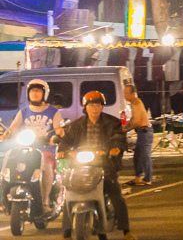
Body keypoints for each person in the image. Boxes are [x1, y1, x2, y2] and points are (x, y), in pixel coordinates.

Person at [58, 91, 136, 240]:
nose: (95, 108)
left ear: (102, 107)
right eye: (91, 105)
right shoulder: (76, 125)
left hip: (105, 164)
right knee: (69, 191)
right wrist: (63, 149)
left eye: (98, 105)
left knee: (115, 194)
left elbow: (118, 137)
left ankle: (126, 230)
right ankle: (67, 231)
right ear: (85, 107)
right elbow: (66, 140)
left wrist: (115, 148)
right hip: (81, 165)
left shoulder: (113, 123)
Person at [4, 79, 65, 209]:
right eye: (32, 91)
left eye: (38, 91)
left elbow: (58, 128)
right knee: (7, 164)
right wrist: (6, 134)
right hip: (26, 149)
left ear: (44, 94)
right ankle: (4, 199)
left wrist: (56, 136)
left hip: (45, 149)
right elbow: (13, 127)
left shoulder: (53, 111)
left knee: (46, 168)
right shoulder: (23, 111)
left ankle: (45, 201)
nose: (35, 94)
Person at [122, 84, 153, 187]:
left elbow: (136, 121)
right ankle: (138, 177)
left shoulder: (135, 102)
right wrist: (125, 127)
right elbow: (133, 119)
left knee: (144, 156)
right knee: (137, 156)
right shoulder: (134, 103)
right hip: (142, 132)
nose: (124, 95)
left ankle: (147, 179)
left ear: (132, 93)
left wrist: (125, 129)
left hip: (145, 131)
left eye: (126, 93)